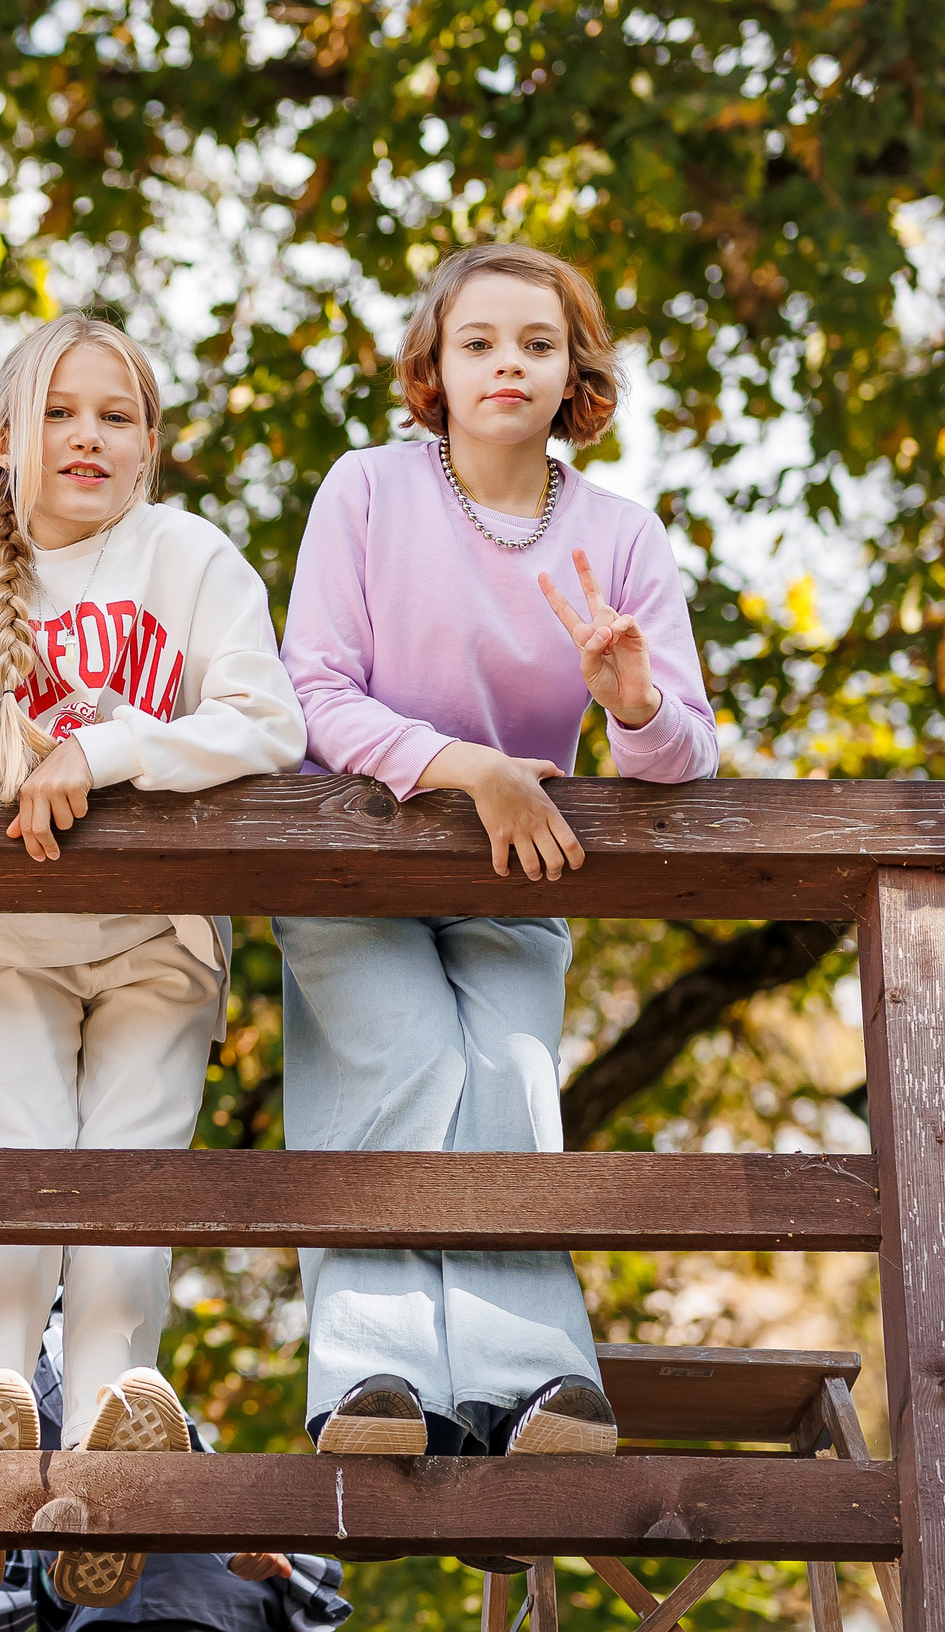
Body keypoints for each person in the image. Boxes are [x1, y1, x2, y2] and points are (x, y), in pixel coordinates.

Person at [274, 243, 718, 1513]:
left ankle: (531, 1384)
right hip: (354, 852)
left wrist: (629, 704)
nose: (506, 363)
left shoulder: (620, 538)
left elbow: (683, 750)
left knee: (514, 1086)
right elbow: (313, 690)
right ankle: (375, 1380)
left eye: (534, 342)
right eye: (478, 342)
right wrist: (473, 766)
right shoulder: (366, 491)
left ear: (575, 370)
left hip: (523, 872)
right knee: (403, 1062)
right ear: (435, 366)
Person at [0, 313, 305, 1605]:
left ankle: (114, 1464)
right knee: (17, 1184)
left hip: (159, 945)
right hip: (10, 941)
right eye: (60, 413)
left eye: (116, 415)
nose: (88, 436)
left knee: (126, 1197)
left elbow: (267, 722)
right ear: (4, 444)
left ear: (151, 447)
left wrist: (100, 750)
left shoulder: (187, 556)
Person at [0, 1247, 352, 1632]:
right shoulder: (4, 1427)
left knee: (104, 1433)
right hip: (206, 1609)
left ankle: (94, 1525)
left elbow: (154, 1443)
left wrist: (230, 1529)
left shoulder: (47, 1352)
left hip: (169, 1602)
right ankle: (86, 1528)